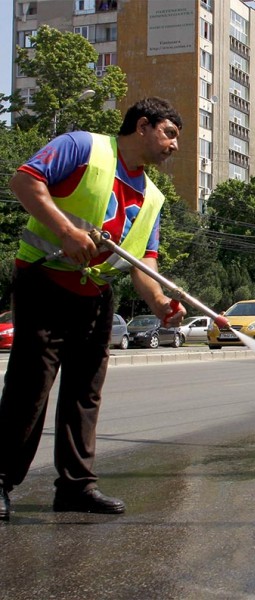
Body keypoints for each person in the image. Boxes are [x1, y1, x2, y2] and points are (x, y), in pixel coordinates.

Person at [0, 97, 187, 521]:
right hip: (44, 282)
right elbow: (24, 180)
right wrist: (66, 230)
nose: (174, 146)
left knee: (85, 394)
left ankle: (76, 487)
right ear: (143, 126)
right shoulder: (82, 146)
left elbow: (144, 260)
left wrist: (158, 301)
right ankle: (1, 479)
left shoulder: (152, 196)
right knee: (30, 389)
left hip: (96, 296)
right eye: (170, 134)